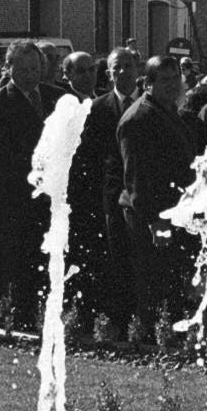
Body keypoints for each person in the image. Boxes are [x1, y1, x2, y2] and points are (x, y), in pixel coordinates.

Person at [117, 55, 202, 329]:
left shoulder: (168, 110)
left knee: (171, 279)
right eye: (164, 80)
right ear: (149, 84)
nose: (172, 84)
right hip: (152, 218)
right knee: (154, 282)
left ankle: (169, 331)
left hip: (175, 213)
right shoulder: (139, 118)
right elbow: (137, 179)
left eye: (176, 78)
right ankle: (155, 337)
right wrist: (156, 222)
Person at [0, 39, 59, 320]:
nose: (30, 74)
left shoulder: (56, 97)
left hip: (53, 199)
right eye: (23, 68)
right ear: (8, 68)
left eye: (35, 67)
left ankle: (47, 314)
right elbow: (0, 155)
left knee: (48, 261)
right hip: (18, 198)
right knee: (17, 261)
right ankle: (16, 316)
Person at [81, 48, 142, 331]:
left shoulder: (147, 104)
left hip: (142, 196)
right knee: (115, 258)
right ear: (108, 73)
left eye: (127, 66)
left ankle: (142, 318)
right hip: (110, 196)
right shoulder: (97, 108)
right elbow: (90, 156)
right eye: (116, 68)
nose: (122, 72)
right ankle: (118, 318)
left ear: (137, 69)